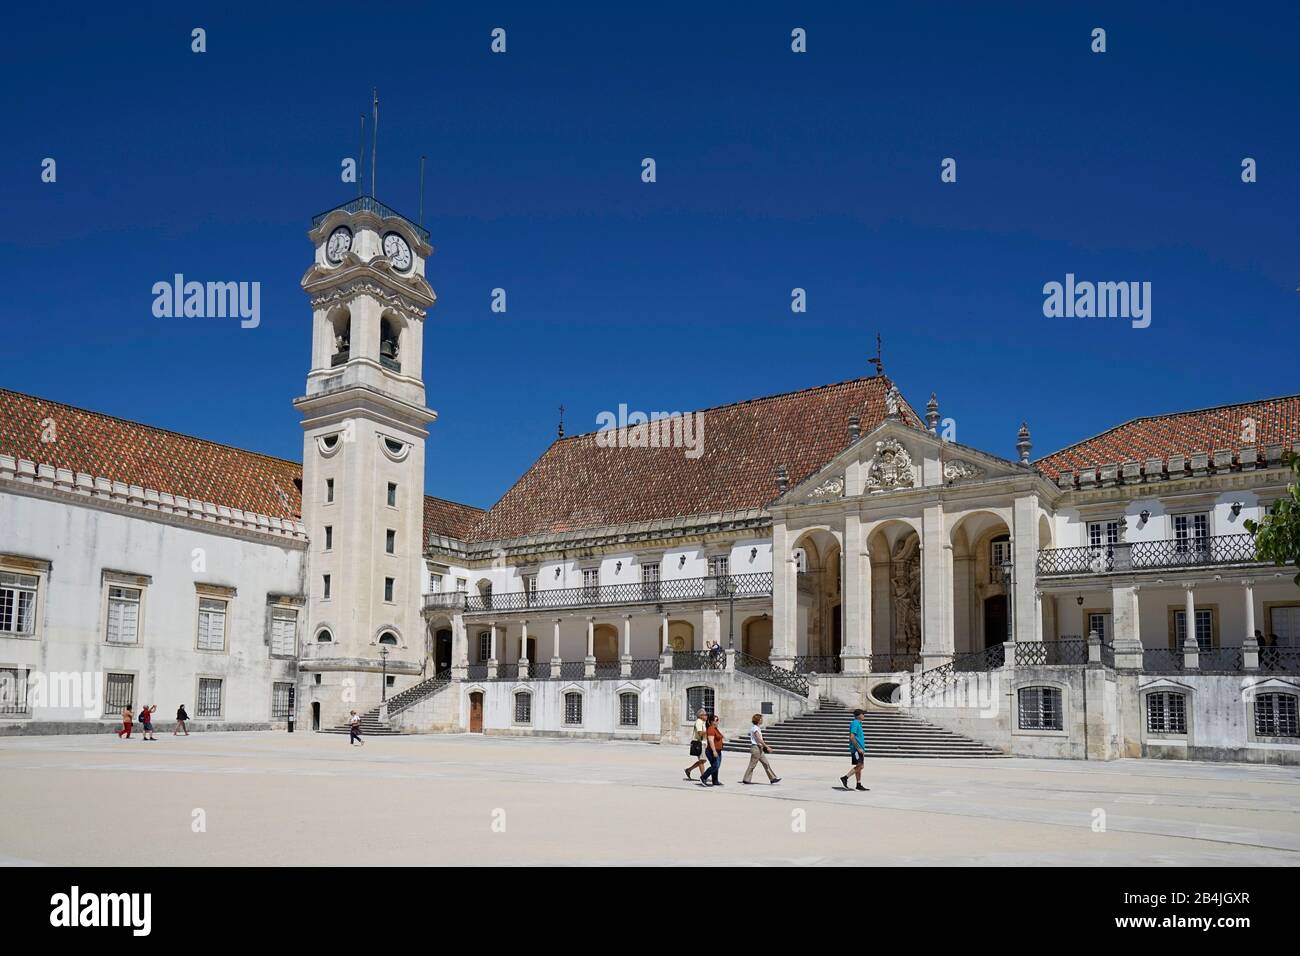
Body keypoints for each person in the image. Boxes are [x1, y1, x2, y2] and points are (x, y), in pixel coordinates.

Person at [742, 714, 781, 784]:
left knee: (766, 763)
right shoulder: (755, 728)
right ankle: (746, 779)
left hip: (759, 748)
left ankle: (773, 778)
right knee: (752, 764)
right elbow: (759, 739)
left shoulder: (757, 728)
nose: (762, 720)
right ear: (758, 720)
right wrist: (767, 747)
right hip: (756, 748)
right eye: (761, 719)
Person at [839, 708, 869, 791]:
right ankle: (845, 777)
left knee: (859, 766)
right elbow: (852, 737)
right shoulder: (855, 723)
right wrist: (858, 748)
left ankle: (858, 784)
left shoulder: (858, 723)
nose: (864, 716)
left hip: (859, 749)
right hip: (856, 749)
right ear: (859, 715)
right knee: (860, 766)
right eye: (863, 714)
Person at [683, 707, 709, 780]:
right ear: (700, 716)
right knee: (702, 761)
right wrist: (709, 731)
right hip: (699, 744)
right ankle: (703, 777)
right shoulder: (699, 721)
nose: (706, 716)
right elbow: (700, 733)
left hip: (703, 743)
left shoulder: (703, 722)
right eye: (705, 715)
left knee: (703, 760)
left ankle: (689, 770)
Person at [699, 714, 725, 786]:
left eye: (717, 720)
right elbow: (711, 741)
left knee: (716, 766)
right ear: (711, 721)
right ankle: (703, 777)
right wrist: (714, 751)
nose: (717, 722)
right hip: (712, 751)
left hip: (718, 750)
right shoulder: (711, 729)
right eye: (715, 720)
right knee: (715, 766)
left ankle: (715, 780)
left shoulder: (715, 729)